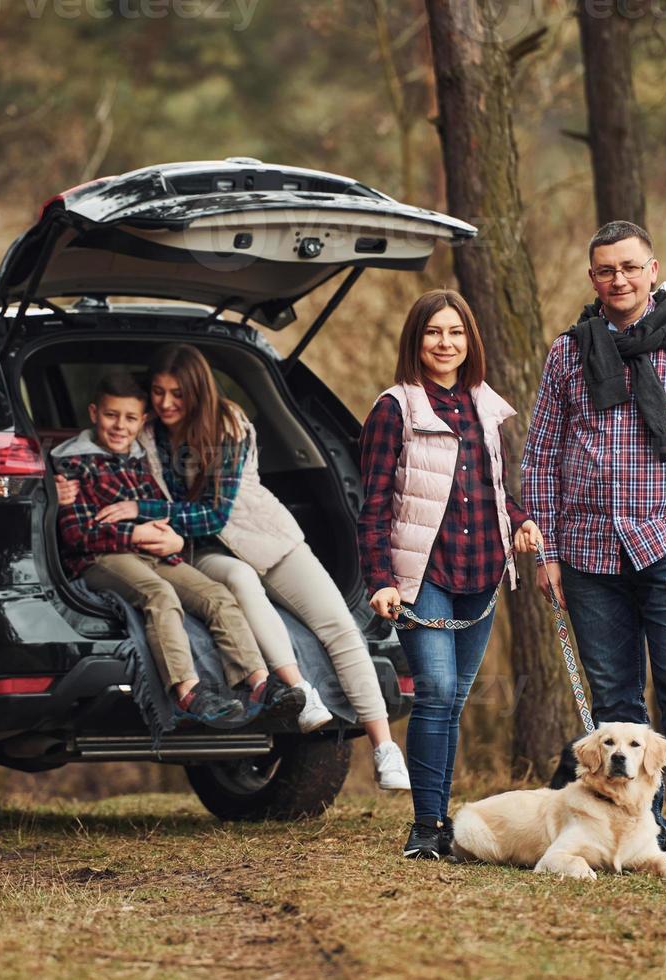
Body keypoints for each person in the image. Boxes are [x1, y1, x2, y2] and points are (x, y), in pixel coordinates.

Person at [57, 345, 412, 791]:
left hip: (261, 535)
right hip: (200, 550)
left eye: (178, 395)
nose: (166, 404)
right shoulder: (145, 431)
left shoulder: (228, 425)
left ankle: (384, 747)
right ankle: (300, 694)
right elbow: (101, 459)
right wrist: (60, 489)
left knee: (339, 626)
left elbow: (215, 513)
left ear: (198, 393)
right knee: (241, 583)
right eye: (160, 393)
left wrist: (139, 507)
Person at [520, 220, 666, 876]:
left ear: (653, 270)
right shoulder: (569, 353)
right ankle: (636, 832)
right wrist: (547, 552)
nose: (617, 280)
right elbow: (540, 455)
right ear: (592, 279)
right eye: (605, 271)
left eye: (629, 268)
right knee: (615, 700)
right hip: (589, 555)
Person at [358, 288, 543, 860]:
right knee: (435, 693)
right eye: (434, 332)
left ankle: (440, 823)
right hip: (424, 573)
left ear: (470, 340)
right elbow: (372, 506)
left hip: (484, 570)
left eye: (456, 332)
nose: (446, 343)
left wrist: (521, 519)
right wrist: (379, 579)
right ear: (417, 340)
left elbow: (493, 486)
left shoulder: (485, 404)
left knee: (454, 698)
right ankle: (426, 828)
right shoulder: (395, 408)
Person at [54, 372, 305, 727]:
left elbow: (163, 510)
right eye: (111, 415)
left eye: (129, 418)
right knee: (160, 596)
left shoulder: (143, 460)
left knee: (217, 596)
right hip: (103, 558)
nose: (119, 426)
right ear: (94, 413)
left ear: (142, 421)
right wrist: (135, 535)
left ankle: (260, 685)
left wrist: (175, 539)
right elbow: (78, 535)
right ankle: (189, 692)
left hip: (158, 552)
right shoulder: (71, 463)